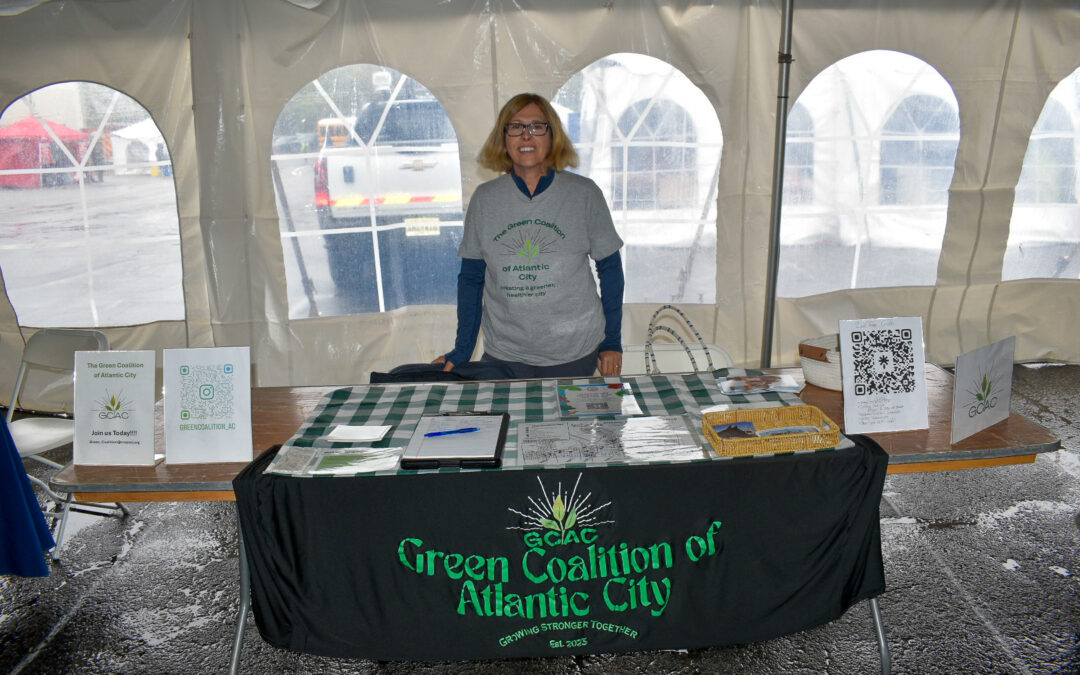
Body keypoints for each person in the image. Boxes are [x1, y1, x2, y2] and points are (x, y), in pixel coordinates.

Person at [433, 93, 624, 379]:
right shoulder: (484, 199)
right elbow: (471, 280)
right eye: (516, 127)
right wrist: (462, 351)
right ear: (503, 138)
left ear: (552, 135)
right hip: (506, 355)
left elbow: (610, 270)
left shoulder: (584, 194)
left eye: (537, 126)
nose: (526, 135)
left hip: (576, 352)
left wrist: (611, 342)